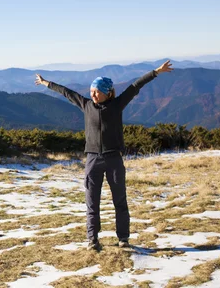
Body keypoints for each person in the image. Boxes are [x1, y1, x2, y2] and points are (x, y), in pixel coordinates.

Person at [35, 60, 173, 250]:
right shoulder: (86, 104)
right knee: (92, 202)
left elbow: (135, 86)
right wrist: (46, 83)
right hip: (92, 159)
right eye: (92, 90)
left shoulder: (117, 105)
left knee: (120, 201)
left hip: (114, 158)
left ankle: (123, 238)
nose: (93, 94)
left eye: (97, 91)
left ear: (107, 92)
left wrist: (156, 72)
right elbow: (67, 92)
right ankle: (92, 240)